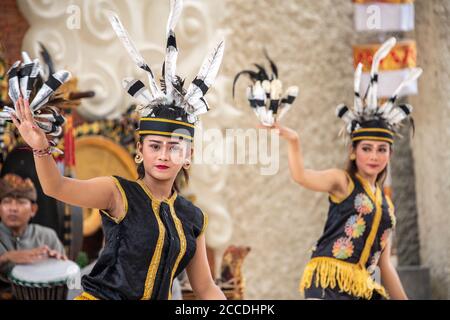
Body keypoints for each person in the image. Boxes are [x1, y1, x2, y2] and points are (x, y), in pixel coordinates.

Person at [8, 0, 225, 300]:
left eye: (175, 147)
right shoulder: (116, 192)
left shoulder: (193, 217)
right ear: (140, 150)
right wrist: (41, 148)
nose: (163, 154)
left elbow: (205, 288)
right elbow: (55, 186)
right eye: (155, 146)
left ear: (188, 156)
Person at [269, 38, 422, 299]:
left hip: (361, 287)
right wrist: (293, 141)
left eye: (381, 149)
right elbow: (301, 176)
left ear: (390, 153)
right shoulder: (343, 181)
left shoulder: (386, 206)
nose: (374, 156)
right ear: (353, 151)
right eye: (366, 148)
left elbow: (385, 266)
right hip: (328, 283)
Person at [0, 173, 65, 298]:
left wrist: (58, 264)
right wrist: (6, 257)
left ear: (33, 209)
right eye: (7, 202)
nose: (13, 208)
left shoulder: (47, 236)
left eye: (21, 202)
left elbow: (64, 280)